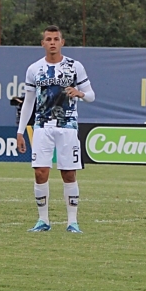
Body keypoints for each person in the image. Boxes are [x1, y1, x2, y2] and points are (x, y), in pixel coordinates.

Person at [16, 25, 96, 233]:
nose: (52, 43)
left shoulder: (74, 66)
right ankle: (43, 220)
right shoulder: (34, 69)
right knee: (40, 172)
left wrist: (79, 93)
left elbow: (91, 95)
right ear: (43, 43)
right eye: (48, 39)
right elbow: (28, 102)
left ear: (62, 42)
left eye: (56, 39)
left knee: (68, 173)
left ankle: (72, 222)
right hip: (42, 126)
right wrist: (20, 131)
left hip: (67, 126)